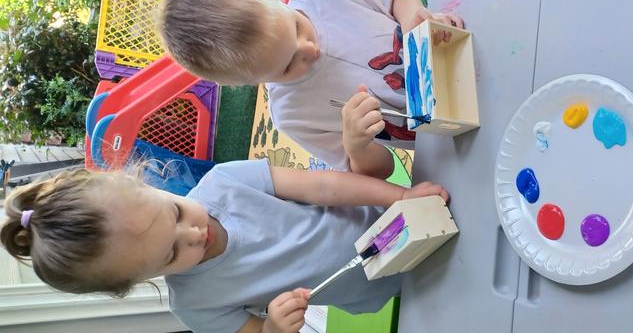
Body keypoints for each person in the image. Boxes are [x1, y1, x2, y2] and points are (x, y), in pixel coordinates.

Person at [0, 159, 449, 333]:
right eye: (171, 254)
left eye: (175, 212)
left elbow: (325, 186)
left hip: (400, 218)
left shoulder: (224, 182)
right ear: (138, 281)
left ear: (150, 183)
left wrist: (401, 197)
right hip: (393, 291)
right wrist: (273, 328)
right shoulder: (195, 305)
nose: (195, 235)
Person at [158, 0, 464, 178]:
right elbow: (381, 171)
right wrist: (356, 145)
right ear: (243, 84)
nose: (311, 49)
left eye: (295, 26)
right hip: (449, 143)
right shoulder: (293, 115)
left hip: (461, 57)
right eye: (289, 65)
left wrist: (415, 16)